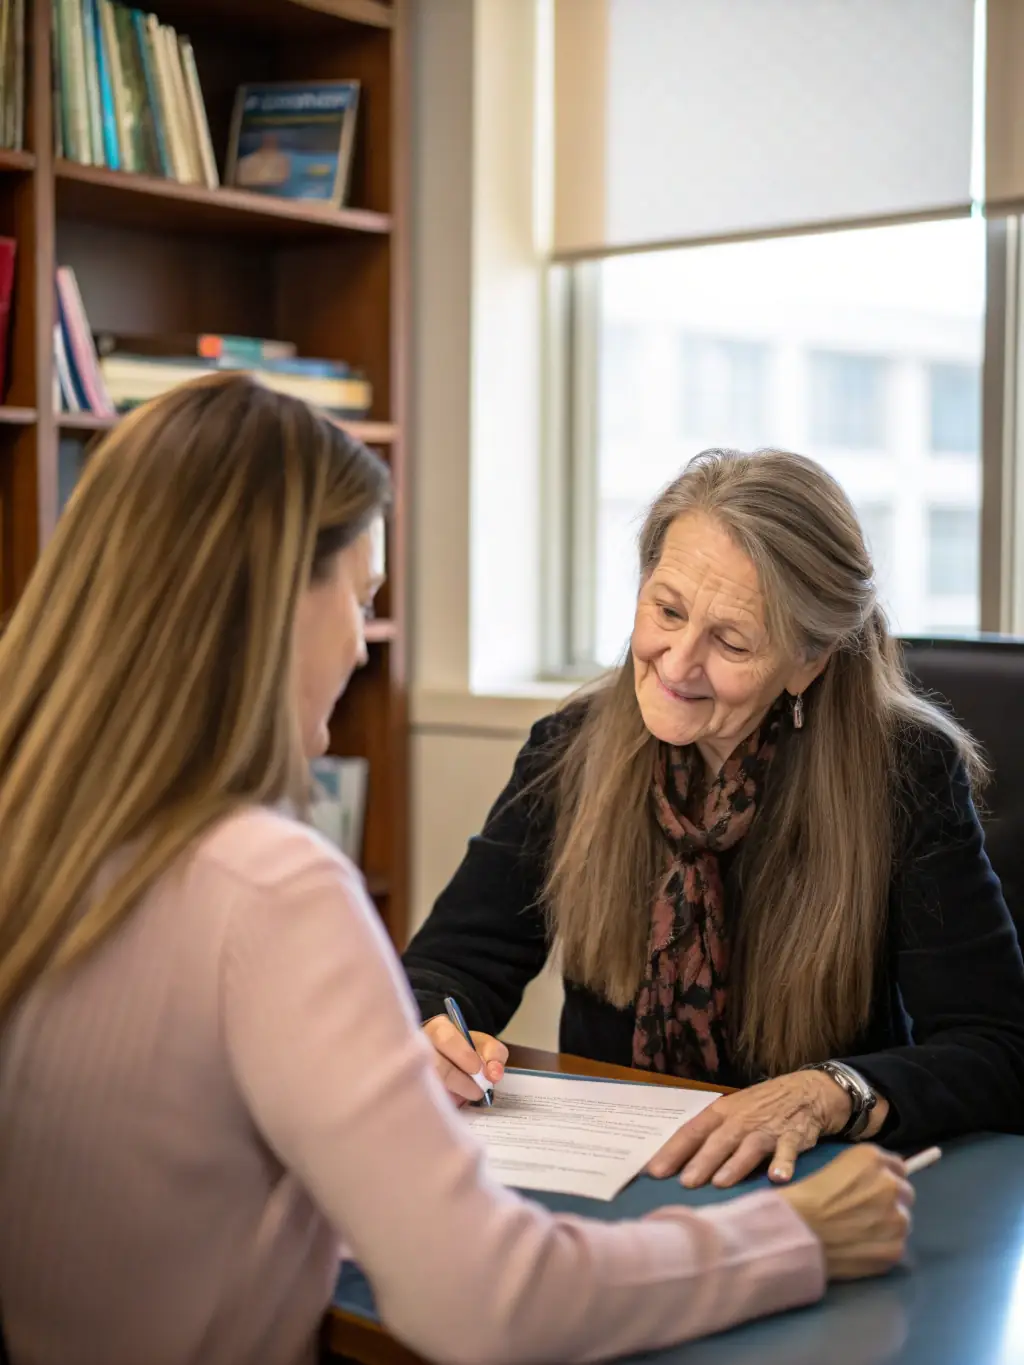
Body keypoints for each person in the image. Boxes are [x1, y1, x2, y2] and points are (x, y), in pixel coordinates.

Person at [0, 386, 913, 1365]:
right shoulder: (272, 890)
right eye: (358, 600)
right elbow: (490, 1302)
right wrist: (801, 1235)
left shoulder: (41, 834)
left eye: (730, 640)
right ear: (267, 608)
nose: (361, 642)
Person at [405, 447, 1024, 1190]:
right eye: (666, 610)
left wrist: (830, 1092)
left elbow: (997, 1049)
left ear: (811, 659)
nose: (676, 663)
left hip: (817, 1190)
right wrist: (434, 1030)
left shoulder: (904, 773)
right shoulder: (570, 748)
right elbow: (443, 970)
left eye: (731, 640)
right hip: (624, 1186)